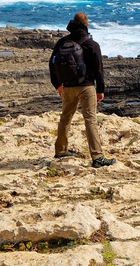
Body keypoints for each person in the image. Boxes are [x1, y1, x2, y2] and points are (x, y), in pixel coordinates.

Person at [49, 12, 115, 169]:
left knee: (65, 118)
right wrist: (100, 89)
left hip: (66, 87)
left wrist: (57, 84)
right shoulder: (91, 44)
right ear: (86, 25)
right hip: (86, 87)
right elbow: (99, 70)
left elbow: (52, 64)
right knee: (90, 119)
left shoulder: (62, 42)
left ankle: (61, 151)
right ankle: (97, 157)